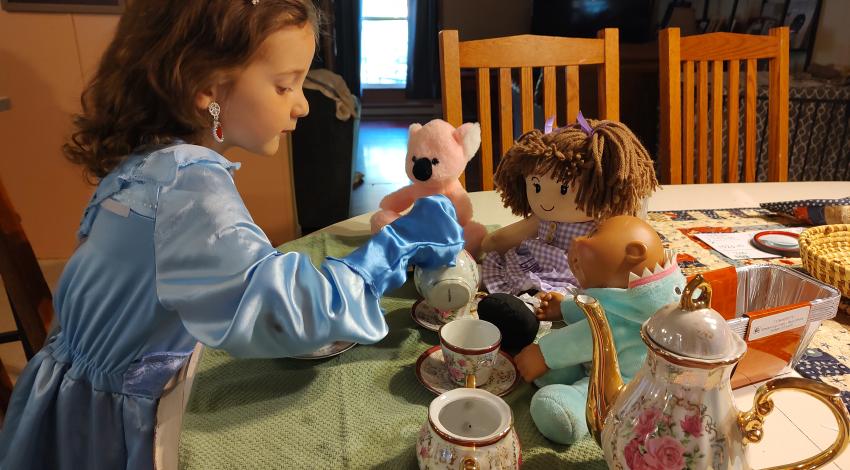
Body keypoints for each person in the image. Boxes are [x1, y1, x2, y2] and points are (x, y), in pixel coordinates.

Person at [0, 1, 464, 469]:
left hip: (67, 397)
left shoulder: (155, 161)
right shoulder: (188, 189)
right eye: (285, 85)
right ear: (207, 87)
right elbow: (295, 313)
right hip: (109, 430)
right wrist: (398, 242)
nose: (302, 104)